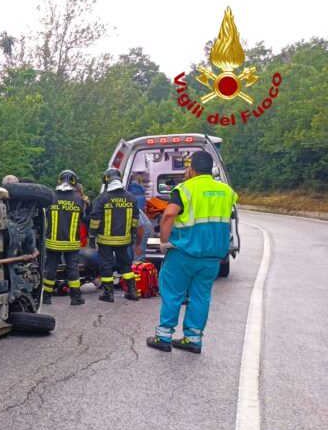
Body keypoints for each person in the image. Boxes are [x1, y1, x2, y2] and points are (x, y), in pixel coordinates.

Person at [146, 151, 238, 354]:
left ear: (192, 168)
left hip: (184, 253)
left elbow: (169, 214)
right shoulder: (226, 191)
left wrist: (163, 242)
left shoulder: (184, 189)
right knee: (200, 296)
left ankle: (163, 336)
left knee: (173, 294)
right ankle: (193, 339)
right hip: (212, 256)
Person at [89, 168, 143, 302]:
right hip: (124, 240)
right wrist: (132, 235)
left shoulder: (102, 198)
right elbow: (135, 219)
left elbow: (95, 219)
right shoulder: (131, 198)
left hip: (105, 240)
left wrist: (91, 236)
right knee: (126, 265)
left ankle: (108, 293)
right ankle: (132, 291)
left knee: (106, 266)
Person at [43, 170, 87, 306]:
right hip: (71, 242)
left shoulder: (51, 197)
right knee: (73, 270)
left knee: (50, 270)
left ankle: (46, 297)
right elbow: (82, 218)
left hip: (53, 242)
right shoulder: (79, 200)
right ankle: (75, 298)